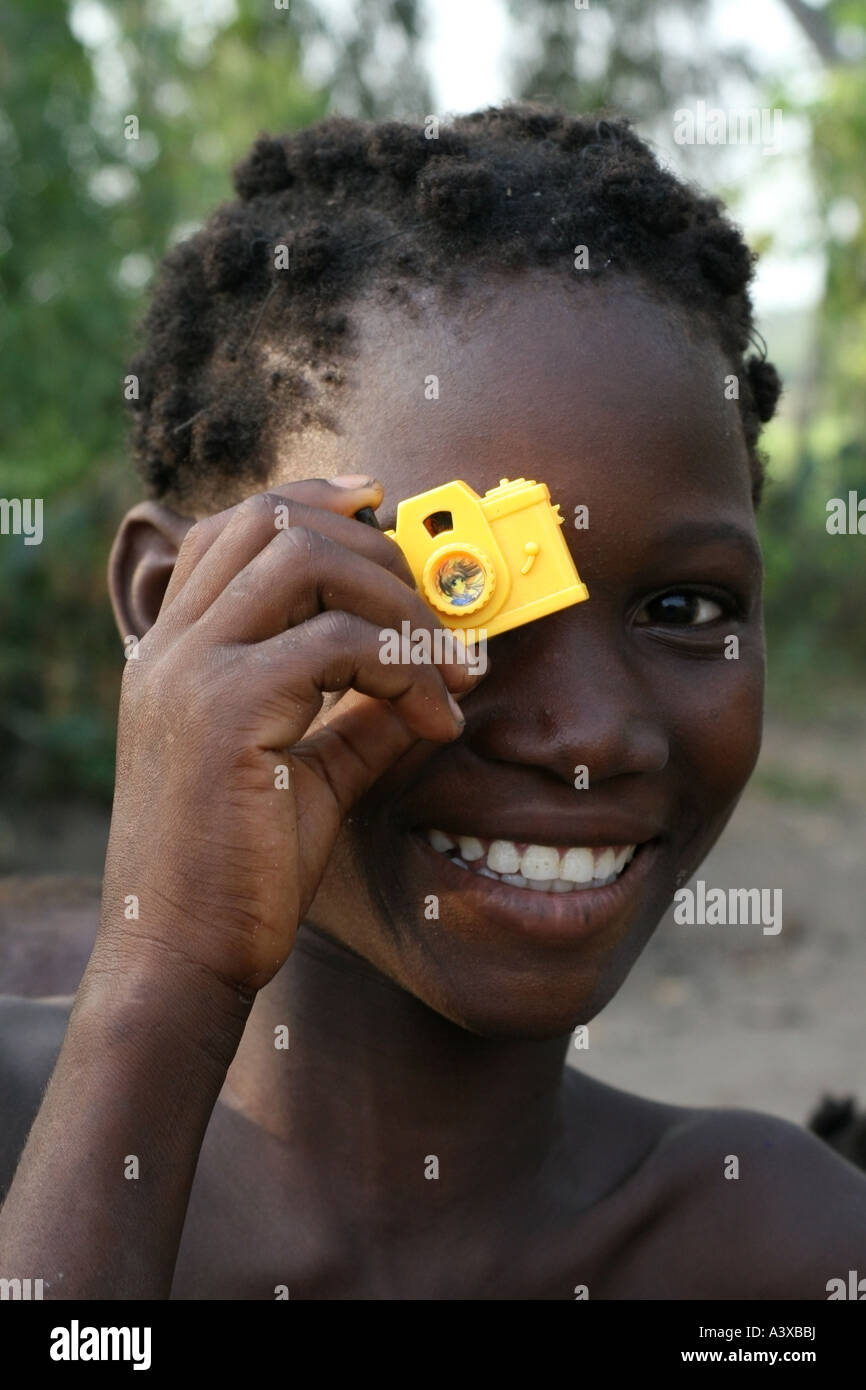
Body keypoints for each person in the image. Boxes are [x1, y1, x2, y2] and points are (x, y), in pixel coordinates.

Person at [1, 105, 864, 1300]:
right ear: (164, 604)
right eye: (448, 591)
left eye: (680, 610)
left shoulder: (779, 1254)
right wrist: (165, 975)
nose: (588, 734)